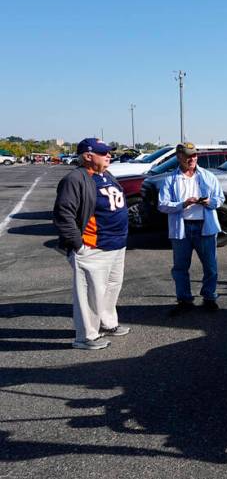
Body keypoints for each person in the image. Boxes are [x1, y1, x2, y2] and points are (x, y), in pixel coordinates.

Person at [53, 138, 130, 350]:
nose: (109, 156)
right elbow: (63, 214)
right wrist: (78, 244)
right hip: (92, 247)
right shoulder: (75, 179)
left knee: (111, 288)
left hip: (116, 245)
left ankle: (107, 323)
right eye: (103, 153)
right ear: (88, 156)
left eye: (108, 152)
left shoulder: (105, 174)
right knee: (90, 294)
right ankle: (86, 336)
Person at [157, 142, 226, 315]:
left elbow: (220, 198)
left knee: (210, 266)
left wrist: (209, 202)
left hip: (205, 227)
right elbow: (162, 205)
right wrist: (183, 204)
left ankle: (209, 297)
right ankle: (184, 300)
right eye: (188, 156)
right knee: (180, 268)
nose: (192, 159)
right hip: (182, 229)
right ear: (179, 157)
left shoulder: (208, 176)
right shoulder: (170, 179)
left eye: (194, 155)